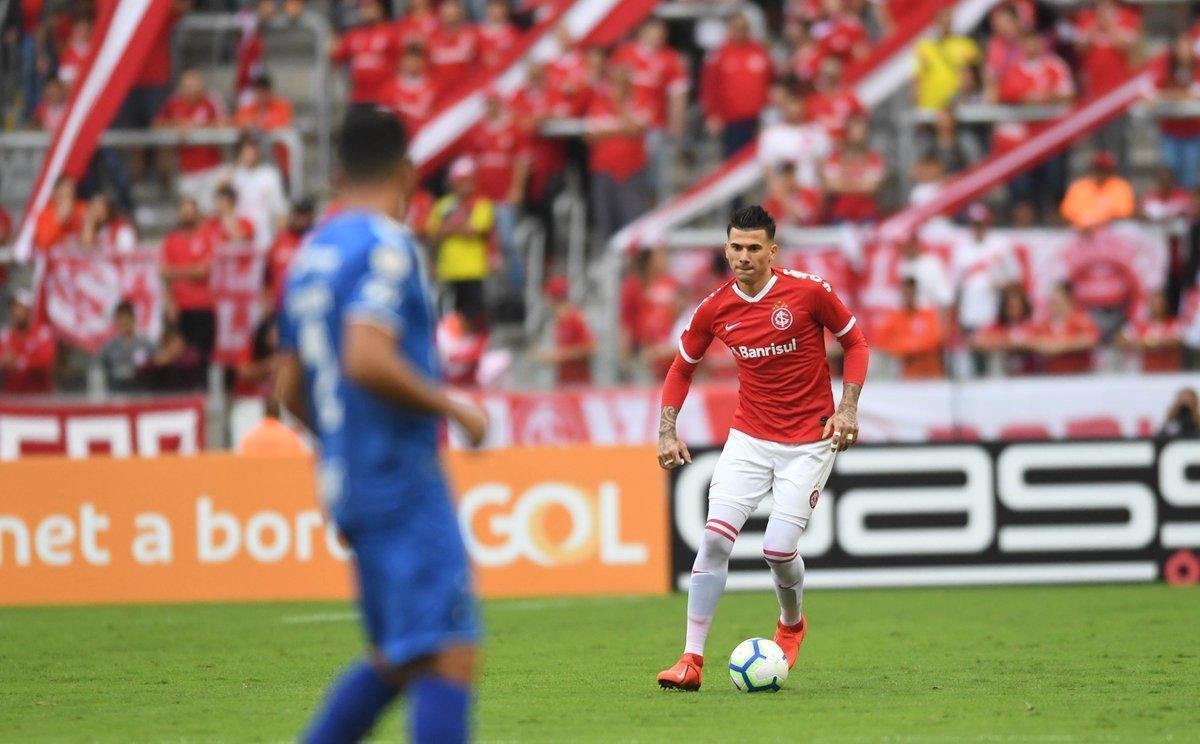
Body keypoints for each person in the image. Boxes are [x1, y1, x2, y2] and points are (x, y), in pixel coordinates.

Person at [276, 107, 488, 744]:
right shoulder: (389, 246)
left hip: (348, 479)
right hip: (399, 479)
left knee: (401, 655)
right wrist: (455, 408)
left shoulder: (310, 256)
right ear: (408, 174)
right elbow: (365, 355)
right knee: (451, 650)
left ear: (337, 172)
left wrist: (342, 445)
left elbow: (287, 389)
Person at [655, 205, 869, 691]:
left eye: (754, 248)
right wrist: (667, 430)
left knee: (777, 550)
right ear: (726, 249)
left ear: (773, 251)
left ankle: (791, 625)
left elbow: (856, 344)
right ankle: (690, 659)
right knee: (712, 539)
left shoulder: (809, 292)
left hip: (810, 441)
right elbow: (680, 368)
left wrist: (847, 408)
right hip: (749, 437)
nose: (744, 256)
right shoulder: (715, 308)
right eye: (736, 247)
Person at [584, 65, 654, 247]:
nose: (616, 88)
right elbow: (590, 135)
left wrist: (619, 108)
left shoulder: (641, 101)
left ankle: (632, 266)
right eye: (614, 83)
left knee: (633, 221)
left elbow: (637, 129)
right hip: (603, 171)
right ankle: (607, 263)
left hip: (631, 172)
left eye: (621, 84)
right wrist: (622, 129)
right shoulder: (599, 104)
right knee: (604, 220)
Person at [466, 92, 530, 289]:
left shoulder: (512, 130)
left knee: (508, 242)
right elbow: (473, 165)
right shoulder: (478, 131)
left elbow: (522, 162)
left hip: (503, 196)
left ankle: (517, 286)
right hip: (482, 197)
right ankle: (489, 289)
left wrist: (517, 188)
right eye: (488, 104)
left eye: (494, 104)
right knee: (484, 242)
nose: (491, 108)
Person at [952, 203, 1019, 374]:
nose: (977, 228)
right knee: (975, 361)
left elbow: (1016, 278)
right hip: (970, 313)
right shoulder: (962, 249)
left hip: (995, 311)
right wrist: (958, 317)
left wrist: (1001, 285)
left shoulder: (1000, 245)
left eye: (981, 224)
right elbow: (956, 287)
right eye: (974, 224)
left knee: (997, 361)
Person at [425, 156, 495, 322]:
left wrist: (449, 226)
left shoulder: (482, 203)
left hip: (473, 270)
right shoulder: (442, 205)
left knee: (474, 314)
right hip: (448, 270)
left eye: (469, 180)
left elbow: (473, 230)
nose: (465, 185)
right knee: (451, 317)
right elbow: (433, 236)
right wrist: (455, 226)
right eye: (461, 181)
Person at [700, 12, 774, 157]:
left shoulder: (759, 50)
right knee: (734, 160)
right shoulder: (719, 53)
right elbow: (709, 86)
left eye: (744, 27)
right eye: (736, 27)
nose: (740, 31)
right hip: (731, 119)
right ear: (729, 28)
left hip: (758, 118)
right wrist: (711, 114)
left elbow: (771, 80)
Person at [155, 68, 228, 214]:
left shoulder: (211, 101)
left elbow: (224, 124)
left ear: (201, 85)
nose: (191, 90)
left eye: (194, 85)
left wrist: (198, 127)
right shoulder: (174, 103)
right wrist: (176, 126)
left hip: (211, 167)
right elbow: (157, 124)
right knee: (191, 212)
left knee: (211, 210)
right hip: (187, 169)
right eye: (187, 86)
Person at [160, 196, 217, 364]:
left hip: (204, 305)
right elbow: (163, 274)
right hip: (180, 307)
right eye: (183, 212)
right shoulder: (171, 239)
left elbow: (204, 271)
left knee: (203, 354)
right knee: (180, 355)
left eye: (190, 212)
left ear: (196, 213)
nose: (187, 215)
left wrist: (175, 272)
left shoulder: (207, 235)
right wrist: (170, 302)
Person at [223, 135, 288, 252]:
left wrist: (280, 237)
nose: (249, 156)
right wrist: (237, 165)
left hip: (264, 237)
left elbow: (279, 208)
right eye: (246, 152)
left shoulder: (269, 175)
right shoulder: (235, 174)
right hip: (240, 235)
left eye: (252, 152)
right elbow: (221, 190)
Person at [329, 0, 400, 105]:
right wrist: (331, 48)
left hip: (386, 100)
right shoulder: (353, 35)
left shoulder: (393, 33)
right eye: (363, 7)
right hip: (358, 99)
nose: (366, 10)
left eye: (370, 6)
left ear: (381, 8)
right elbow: (335, 60)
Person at [874, 278, 945, 378]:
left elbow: (934, 340)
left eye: (911, 291)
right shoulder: (894, 317)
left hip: (931, 375)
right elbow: (882, 343)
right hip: (905, 375)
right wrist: (909, 347)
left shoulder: (927, 315)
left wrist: (905, 346)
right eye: (906, 292)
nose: (909, 295)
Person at [914, 7, 980, 111]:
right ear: (935, 22)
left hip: (959, 107)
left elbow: (975, 78)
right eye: (941, 19)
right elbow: (917, 80)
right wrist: (918, 108)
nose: (945, 23)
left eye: (947, 19)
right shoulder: (924, 48)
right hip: (931, 109)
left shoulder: (967, 45)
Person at [1156, 34, 1200, 190]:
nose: (1183, 51)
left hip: (1194, 131)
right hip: (1171, 131)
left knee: (1189, 174)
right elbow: (1156, 93)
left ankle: (1186, 209)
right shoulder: (1167, 70)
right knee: (1169, 172)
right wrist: (1182, 95)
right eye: (1179, 47)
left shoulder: (1198, 68)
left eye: (1186, 47)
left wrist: (1177, 95)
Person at [1028, 282, 1101, 374]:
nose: (1054, 306)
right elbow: (1031, 340)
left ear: (1069, 300)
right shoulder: (1044, 322)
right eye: (1052, 302)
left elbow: (1091, 339)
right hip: (1051, 375)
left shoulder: (1081, 319)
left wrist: (1060, 346)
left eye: (1058, 301)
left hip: (1079, 375)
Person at [536, 276, 596, 385]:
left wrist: (557, 356)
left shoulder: (575, 318)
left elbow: (591, 347)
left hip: (579, 385)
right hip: (565, 383)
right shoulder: (559, 321)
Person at [1060, 150, 1134, 230]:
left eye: (1104, 169)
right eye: (1098, 168)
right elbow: (1067, 214)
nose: (1100, 173)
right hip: (1081, 232)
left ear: (1111, 171)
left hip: (1110, 231)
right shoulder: (1079, 186)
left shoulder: (1120, 186)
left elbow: (1123, 213)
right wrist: (1086, 224)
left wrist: (1096, 224)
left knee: (1125, 227)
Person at [0, 290, 56, 394]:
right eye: (13, 308)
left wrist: (17, 362)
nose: (16, 312)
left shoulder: (42, 334)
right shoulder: (4, 336)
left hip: (38, 398)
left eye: (21, 308)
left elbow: (44, 362)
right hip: (12, 398)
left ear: (30, 311)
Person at [1117, 291, 1184, 372]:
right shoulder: (1139, 325)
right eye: (1154, 304)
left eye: (1159, 304)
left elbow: (1179, 341)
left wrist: (1154, 344)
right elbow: (1120, 340)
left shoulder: (1174, 323)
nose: (1156, 307)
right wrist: (1140, 343)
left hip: (1169, 372)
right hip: (1144, 372)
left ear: (1166, 305)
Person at [99, 300, 156, 393]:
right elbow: (99, 370)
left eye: (127, 319)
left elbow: (157, 363)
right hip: (116, 392)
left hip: (141, 391)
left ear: (133, 319)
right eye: (120, 320)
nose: (124, 324)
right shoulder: (109, 347)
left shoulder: (146, 344)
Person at [267, 200, 315, 306]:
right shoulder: (279, 240)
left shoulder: (317, 240)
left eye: (305, 215)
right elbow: (266, 276)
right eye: (298, 214)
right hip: (279, 306)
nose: (301, 219)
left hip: (307, 305)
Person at [237, 400, 309, 456]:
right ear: (279, 415)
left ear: (264, 414)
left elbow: (243, 461)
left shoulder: (250, 438)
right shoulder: (291, 437)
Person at [33, 175, 85, 251]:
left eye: (71, 195)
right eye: (64, 194)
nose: (68, 200)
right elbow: (44, 244)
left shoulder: (78, 209)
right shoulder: (44, 214)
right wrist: (59, 220)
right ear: (54, 194)